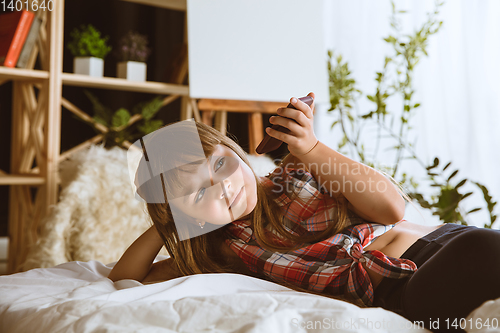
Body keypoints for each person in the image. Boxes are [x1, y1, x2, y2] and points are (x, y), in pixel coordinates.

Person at [109, 92, 500, 332]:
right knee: (477, 259)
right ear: (188, 219)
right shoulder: (222, 251)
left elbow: (392, 207)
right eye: (198, 194)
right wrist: (170, 223)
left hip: (441, 241)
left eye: (220, 164)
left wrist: (311, 149)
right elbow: (126, 277)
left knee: (481, 246)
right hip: (405, 288)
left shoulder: (298, 170)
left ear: (235, 150)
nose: (223, 185)